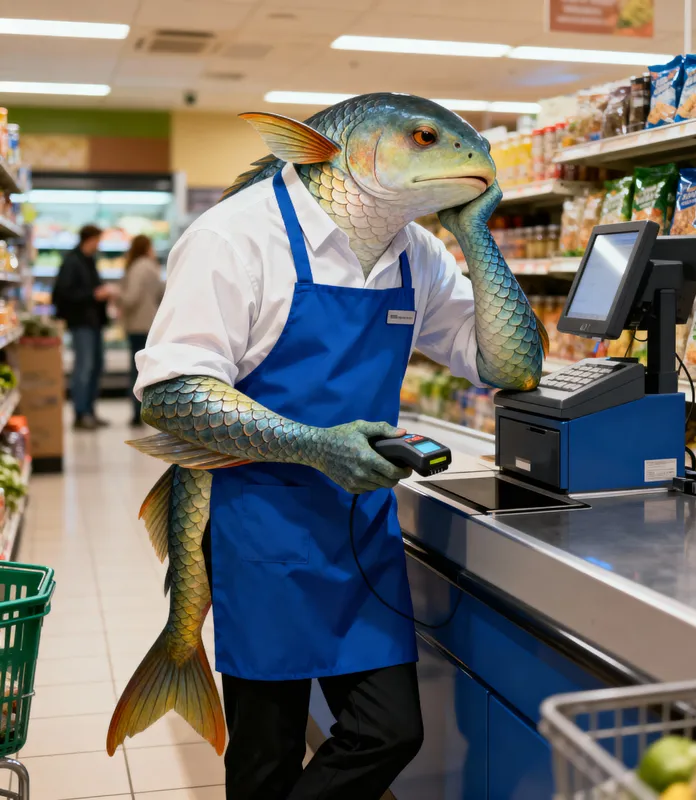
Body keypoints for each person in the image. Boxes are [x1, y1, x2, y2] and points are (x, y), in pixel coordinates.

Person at [129, 95, 546, 799]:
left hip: (360, 529)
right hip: (259, 530)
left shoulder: (416, 252)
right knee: (266, 756)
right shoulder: (236, 235)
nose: (466, 158)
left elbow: (512, 367)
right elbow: (169, 392)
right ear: (351, 149)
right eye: (422, 138)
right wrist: (317, 447)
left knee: (390, 731)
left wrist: (475, 234)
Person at [52, 224, 113, 430]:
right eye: (98, 240)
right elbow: (63, 293)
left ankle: (90, 411)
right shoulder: (72, 261)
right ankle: (80, 414)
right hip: (81, 323)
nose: (99, 244)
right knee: (84, 368)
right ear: (90, 239)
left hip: (95, 322)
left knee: (96, 366)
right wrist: (93, 295)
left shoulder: (88, 260)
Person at [117, 235, 164, 427]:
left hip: (137, 324)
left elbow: (131, 298)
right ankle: (149, 412)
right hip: (150, 324)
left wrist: (115, 295)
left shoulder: (137, 267)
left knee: (136, 371)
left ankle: (137, 414)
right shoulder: (153, 268)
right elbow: (162, 293)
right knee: (147, 370)